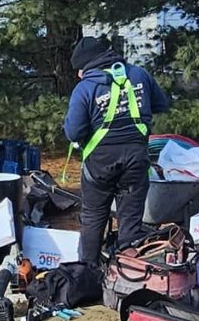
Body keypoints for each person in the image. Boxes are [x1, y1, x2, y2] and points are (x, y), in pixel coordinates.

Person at [63, 37, 171, 261]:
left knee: (93, 218)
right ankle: (127, 271)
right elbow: (161, 104)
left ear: (85, 66)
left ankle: (88, 271)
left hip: (100, 164)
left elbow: (73, 133)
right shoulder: (139, 74)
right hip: (135, 160)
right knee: (130, 222)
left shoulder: (85, 88)